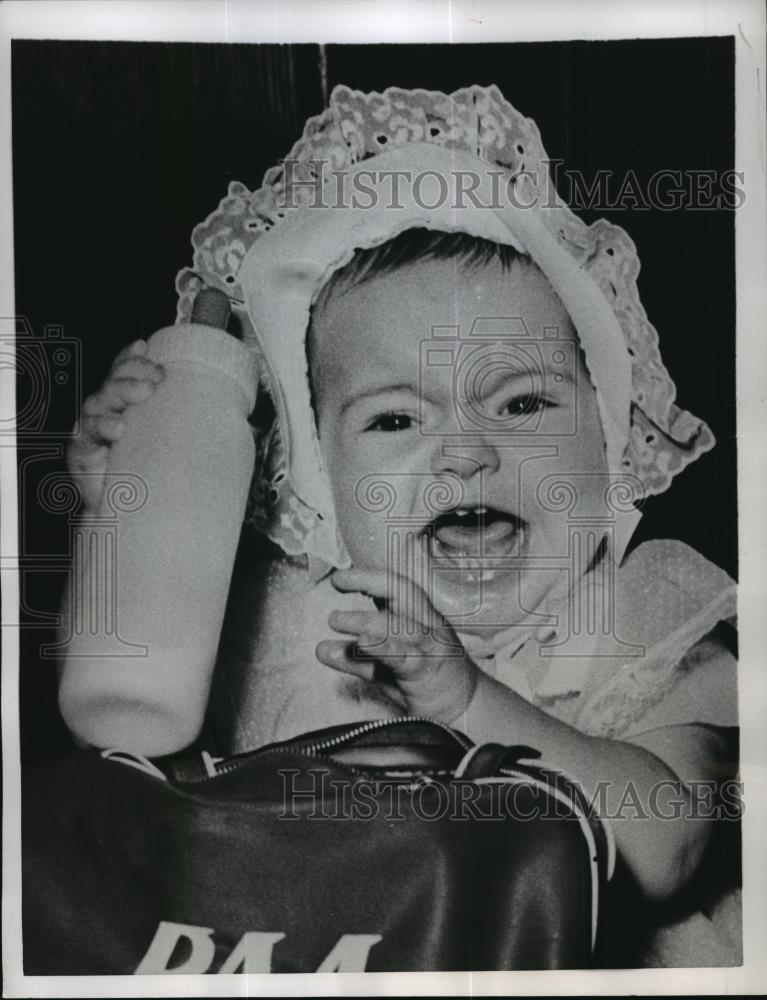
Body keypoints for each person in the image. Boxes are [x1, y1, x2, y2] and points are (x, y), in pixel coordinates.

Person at [66, 84, 739, 966]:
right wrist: (121, 517)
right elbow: (122, 740)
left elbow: (665, 850)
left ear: (611, 441)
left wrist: (465, 702)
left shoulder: (642, 617)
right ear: (313, 480)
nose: (463, 455)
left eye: (522, 401)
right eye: (394, 420)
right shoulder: (277, 622)